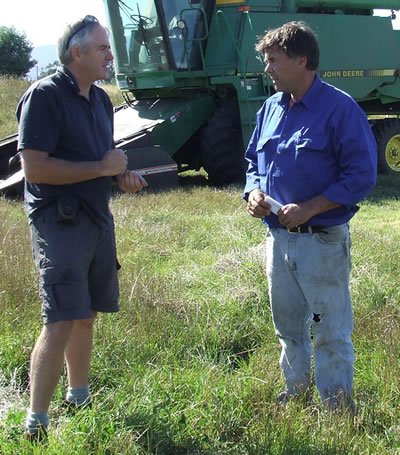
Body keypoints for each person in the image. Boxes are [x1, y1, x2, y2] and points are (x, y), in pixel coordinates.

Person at [16, 15, 148, 440]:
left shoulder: (100, 101)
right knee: (60, 318)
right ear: (77, 53)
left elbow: (101, 158)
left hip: (94, 217)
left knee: (86, 314)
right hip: (59, 221)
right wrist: (101, 167)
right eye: (103, 49)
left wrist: (118, 176)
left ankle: (79, 396)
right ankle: (35, 422)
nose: (111, 55)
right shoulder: (45, 96)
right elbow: (34, 168)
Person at [244, 21, 377, 412]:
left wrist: (311, 207)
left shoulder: (340, 109)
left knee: (330, 331)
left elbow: (361, 176)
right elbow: (253, 160)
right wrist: (252, 192)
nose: (267, 69)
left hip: (321, 240)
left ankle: (337, 410)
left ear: (302, 60)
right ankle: (296, 396)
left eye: (273, 61)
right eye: (265, 61)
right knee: (287, 329)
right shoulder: (269, 108)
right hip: (278, 240)